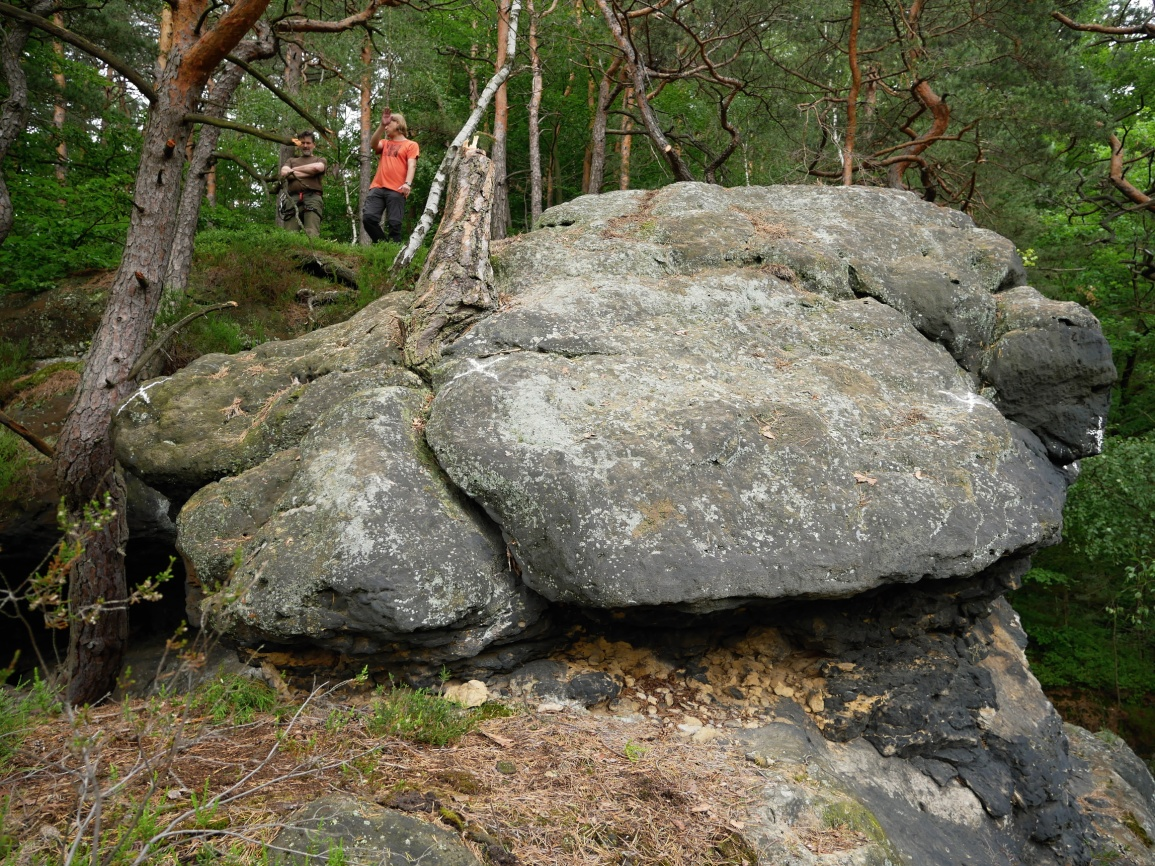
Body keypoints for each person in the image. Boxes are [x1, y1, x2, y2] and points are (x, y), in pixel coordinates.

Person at [362, 110, 419, 244]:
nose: (386, 127)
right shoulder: (385, 143)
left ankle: (394, 255)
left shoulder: (411, 145)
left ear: (398, 123)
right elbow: (373, 144)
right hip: (377, 187)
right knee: (368, 218)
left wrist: (407, 183)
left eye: (388, 124)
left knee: (395, 225)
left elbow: (412, 165)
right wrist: (382, 125)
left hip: (397, 189)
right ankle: (384, 247)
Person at [279, 132, 326, 238]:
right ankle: (290, 254)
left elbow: (317, 168)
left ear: (314, 144)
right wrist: (308, 172)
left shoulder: (320, 160)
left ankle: (312, 254)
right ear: (299, 144)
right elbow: (284, 173)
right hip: (292, 198)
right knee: (289, 233)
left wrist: (293, 171)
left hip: (313, 197)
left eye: (308, 143)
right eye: (303, 143)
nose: (305, 146)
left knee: (312, 231)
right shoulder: (291, 160)